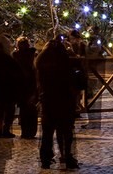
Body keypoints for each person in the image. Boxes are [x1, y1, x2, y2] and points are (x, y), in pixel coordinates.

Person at [36, 33, 84, 170]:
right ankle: (66, 156)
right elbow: (79, 78)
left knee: (47, 132)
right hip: (64, 100)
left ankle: (45, 158)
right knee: (65, 131)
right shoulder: (66, 62)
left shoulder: (41, 64)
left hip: (48, 101)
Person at [13, 37, 38, 140]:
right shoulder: (32, 53)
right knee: (30, 108)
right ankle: (30, 131)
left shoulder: (16, 55)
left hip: (21, 82)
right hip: (29, 81)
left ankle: (26, 131)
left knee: (24, 108)